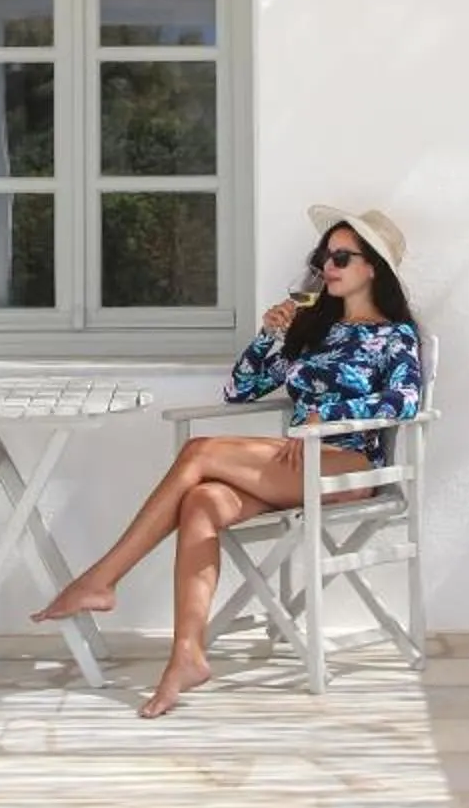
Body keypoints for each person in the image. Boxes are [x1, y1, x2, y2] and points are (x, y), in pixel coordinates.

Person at [34, 203, 424, 718]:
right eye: (323, 256)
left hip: (348, 464)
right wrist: (271, 335)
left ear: (372, 267)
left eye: (341, 257)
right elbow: (239, 391)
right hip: (294, 463)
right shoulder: (316, 329)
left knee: (199, 452)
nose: (327, 265)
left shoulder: (394, 336)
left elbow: (406, 402)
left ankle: (102, 578)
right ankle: (187, 656)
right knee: (201, 501)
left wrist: (326, 415)